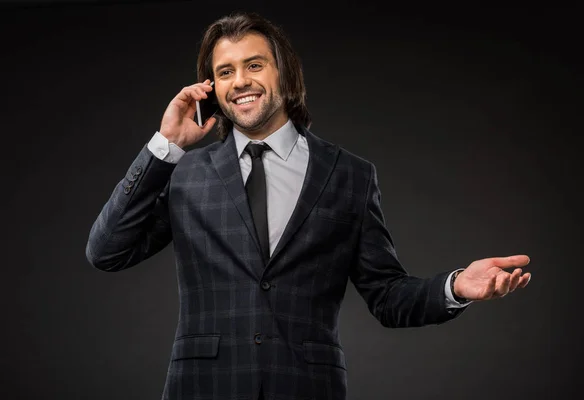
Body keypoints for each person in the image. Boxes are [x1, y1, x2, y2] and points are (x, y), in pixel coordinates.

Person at [85, 11, 532, 400]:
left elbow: (387, 296)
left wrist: (455, 286)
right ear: (212, 88)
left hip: (307, 387)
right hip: (202, 387)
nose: (240, 81)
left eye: (254, 65)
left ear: (284, 73)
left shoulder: (350, 175)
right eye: (224, 72)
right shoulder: (186, 173)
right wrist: (165, 147)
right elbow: (107, 252)